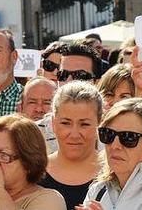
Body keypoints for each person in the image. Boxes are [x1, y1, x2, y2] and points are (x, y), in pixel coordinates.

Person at [39, 81, 102, 210]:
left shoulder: (115, 175)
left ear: (100, 124)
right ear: (53, 123)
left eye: (84, 124)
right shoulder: (33, 173)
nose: (74, 134)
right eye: (66, 123)